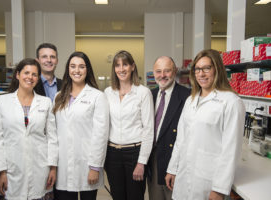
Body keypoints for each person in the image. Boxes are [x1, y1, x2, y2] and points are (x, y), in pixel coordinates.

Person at [165, 49, 245, 200]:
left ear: (217, 69)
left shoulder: (231, 102)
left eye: (207, 68)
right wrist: (172, 169)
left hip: (208, 182)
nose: (201, 74)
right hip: (184, 175)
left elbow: (231, 150)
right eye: (197, 69)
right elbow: (180, 139)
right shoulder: (191, 100)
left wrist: (219, 189)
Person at [0, 58, 58, 200]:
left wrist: (52, 167)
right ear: (18, 75)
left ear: (38, 78)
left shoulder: (45, 103)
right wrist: (2, 171)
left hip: (40, 168)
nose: (30, 77)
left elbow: (52, 138)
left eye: (34, 74)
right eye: (26, 73)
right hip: (11, 169)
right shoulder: (2, 102)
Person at [53, 51, 109, 200]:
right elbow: (54, 133)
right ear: (68, 69)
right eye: (73, 66)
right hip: (63, 166)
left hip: (86, 165)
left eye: (81, 67)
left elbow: (101, 135)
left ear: (87, 70)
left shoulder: (97, 96)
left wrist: (95, 167)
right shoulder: (58, 96)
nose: (77, 70)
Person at [104, 50, 154, 200]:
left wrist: (141, 162)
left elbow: (149, 129)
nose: (121, 69)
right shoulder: (107, 93)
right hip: (112, 154)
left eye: (125, 64)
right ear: (114, 69)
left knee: (135, 196)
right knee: (117, 196)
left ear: (132, 67)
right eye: (117, 65)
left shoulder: (143, 92)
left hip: (134, 153)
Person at [147, 56, 190, 200]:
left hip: (176, 160)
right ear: (153, 73)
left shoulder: (187, 96)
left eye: (167, 71)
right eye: (158, 71)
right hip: (153, 161)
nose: (162, 75)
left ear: (175, 71)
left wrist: (176, 167)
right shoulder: (149, 95)